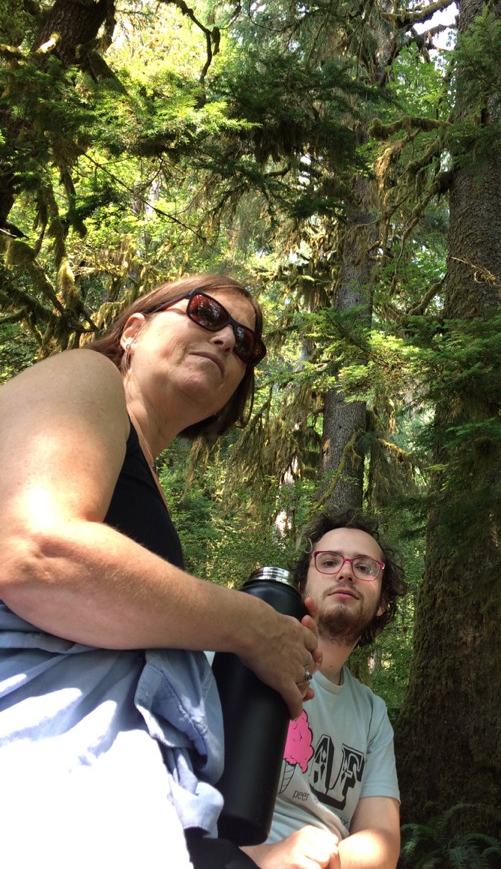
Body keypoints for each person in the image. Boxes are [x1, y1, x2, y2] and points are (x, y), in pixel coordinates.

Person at [0, 275, 321, 869]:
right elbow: (35, 552)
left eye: (247, 344)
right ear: (134, 330)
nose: (228, 340)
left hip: (123, 795)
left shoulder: (137, 478)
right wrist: (250, 625)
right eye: (205, 314)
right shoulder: (84, 374)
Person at [240, 510, 407, 869]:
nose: (346, 572)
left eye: (364, 568)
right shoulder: (242, 655)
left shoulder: (372, 713)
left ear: (382, 604)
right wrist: (263, 858)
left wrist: (318, 862)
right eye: (329, 562)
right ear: (303, 586)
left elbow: (384, 840)